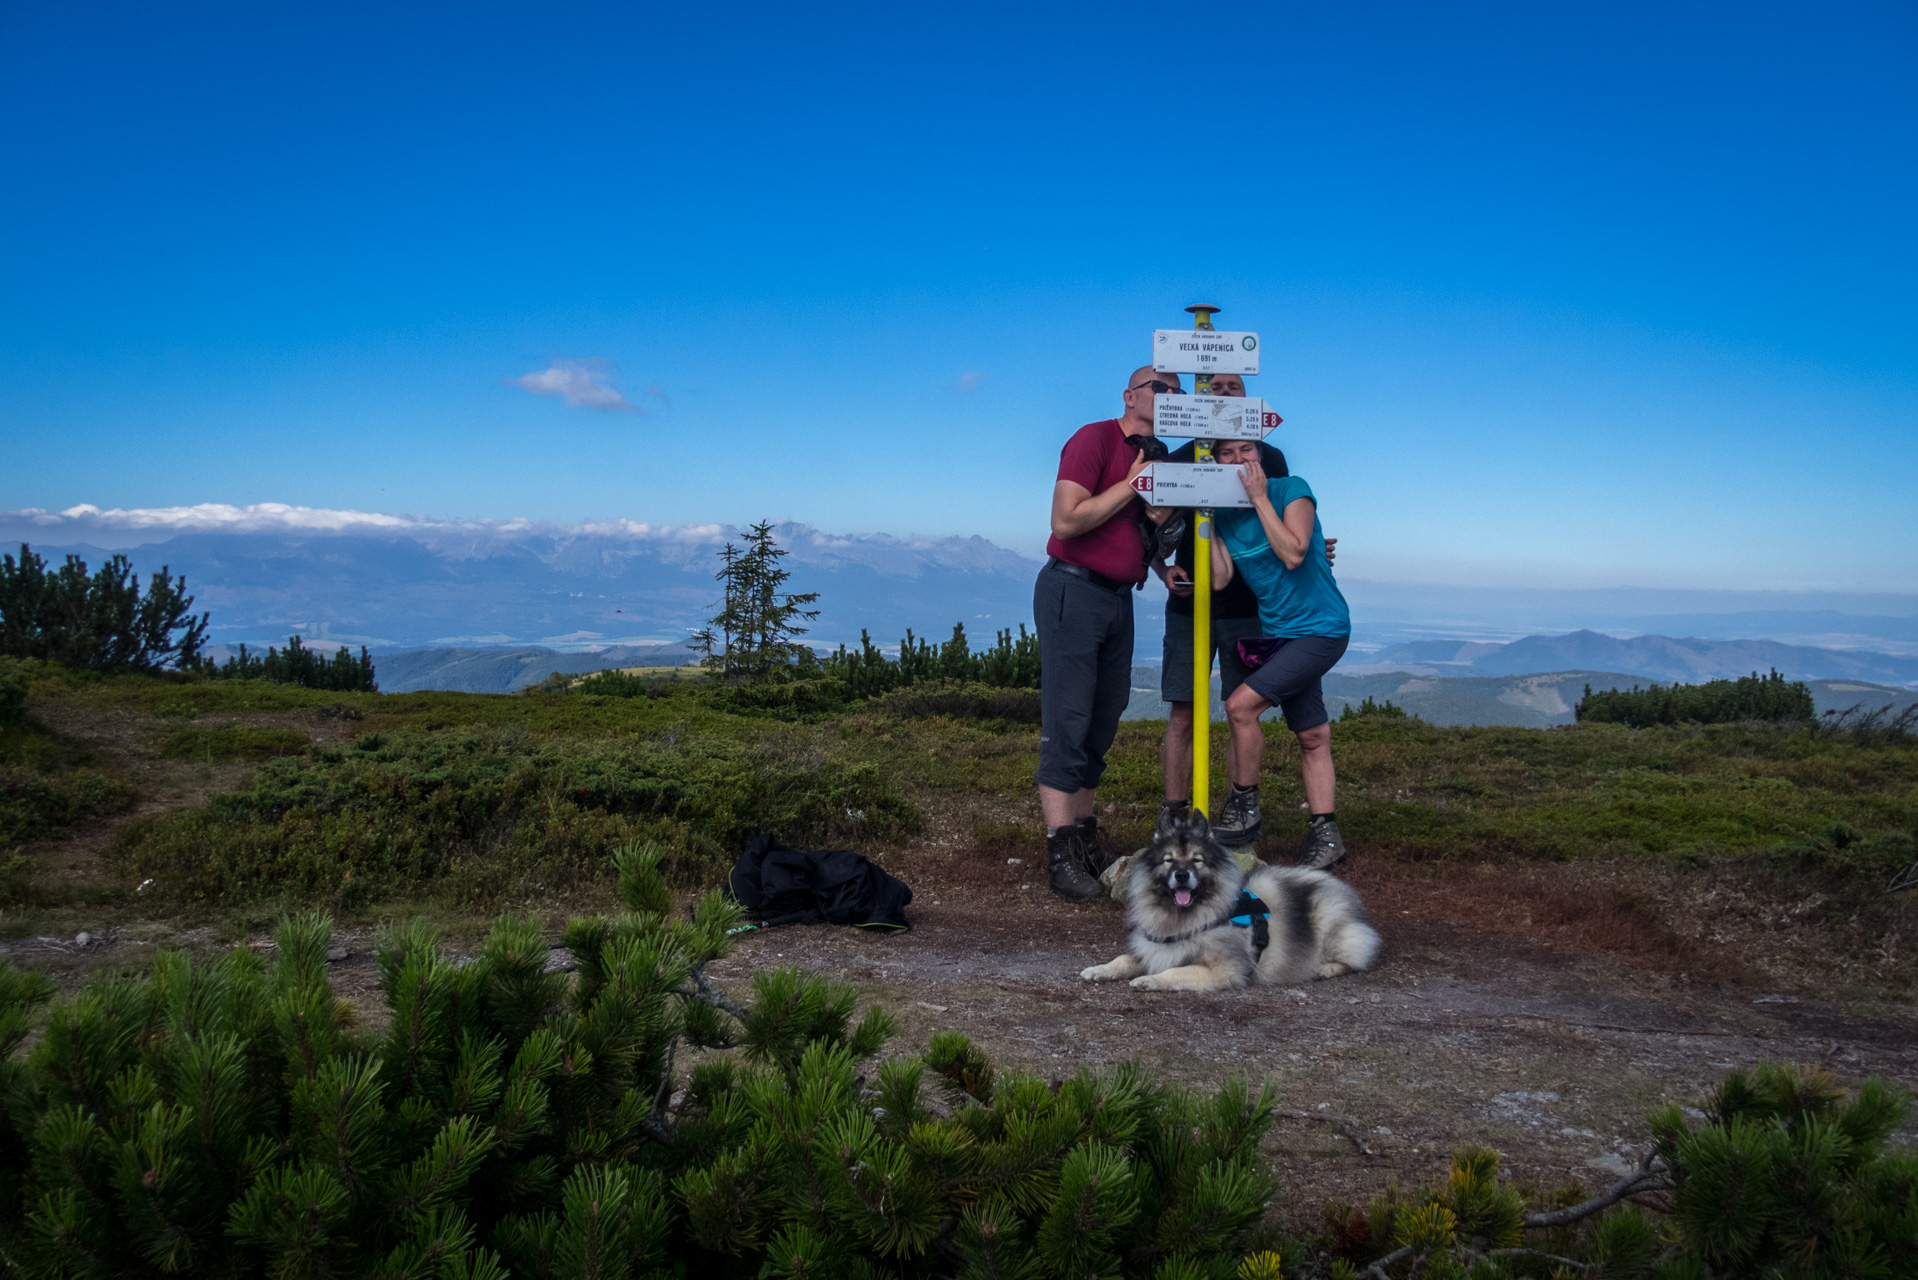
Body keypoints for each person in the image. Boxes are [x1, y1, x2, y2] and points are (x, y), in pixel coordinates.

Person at [1151, 371, 1332, 842]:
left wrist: (1314, 547)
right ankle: (1174, 814)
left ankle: (1238, 811)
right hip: (1190, 604)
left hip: (1254, 609)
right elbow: (1146, 519)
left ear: (1248, 398)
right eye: (1215, 387)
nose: (1224, 394)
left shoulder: (1268, 456)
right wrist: (1159, 568)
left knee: (1240, 711)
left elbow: (1283, 522)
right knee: (1184, 714)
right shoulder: (1185, 455)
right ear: (1201, 393)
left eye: (1234, 386)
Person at [1035, 365, 1179, 901]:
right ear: (1130, 396)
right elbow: (1066, 522)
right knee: (1068, 717)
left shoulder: (1157, 451)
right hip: (1074, 591)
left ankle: (1085, 838)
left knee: (1103, 716)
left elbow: (1140, 528)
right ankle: (1059, 848)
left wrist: (1164, 568)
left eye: (1176, 391)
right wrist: (1130, 484)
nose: (1170, 396)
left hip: (1121, 598)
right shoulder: (1093, 439)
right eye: (1159, 389)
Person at [1205, 437, 1353, 871]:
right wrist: (1208, 521)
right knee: (1311, 735)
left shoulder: (1292, 490)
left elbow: (1293, 552)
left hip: (1322, 630)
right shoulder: (1228, 516)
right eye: (1225, 454)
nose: (1237, 460)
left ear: (1261, 456)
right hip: (1280, 635)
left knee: (1239, 707)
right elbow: (1219, 579)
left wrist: (1258, 498)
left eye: (1245, 450)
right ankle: (1326, 836)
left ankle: (1244, 808)